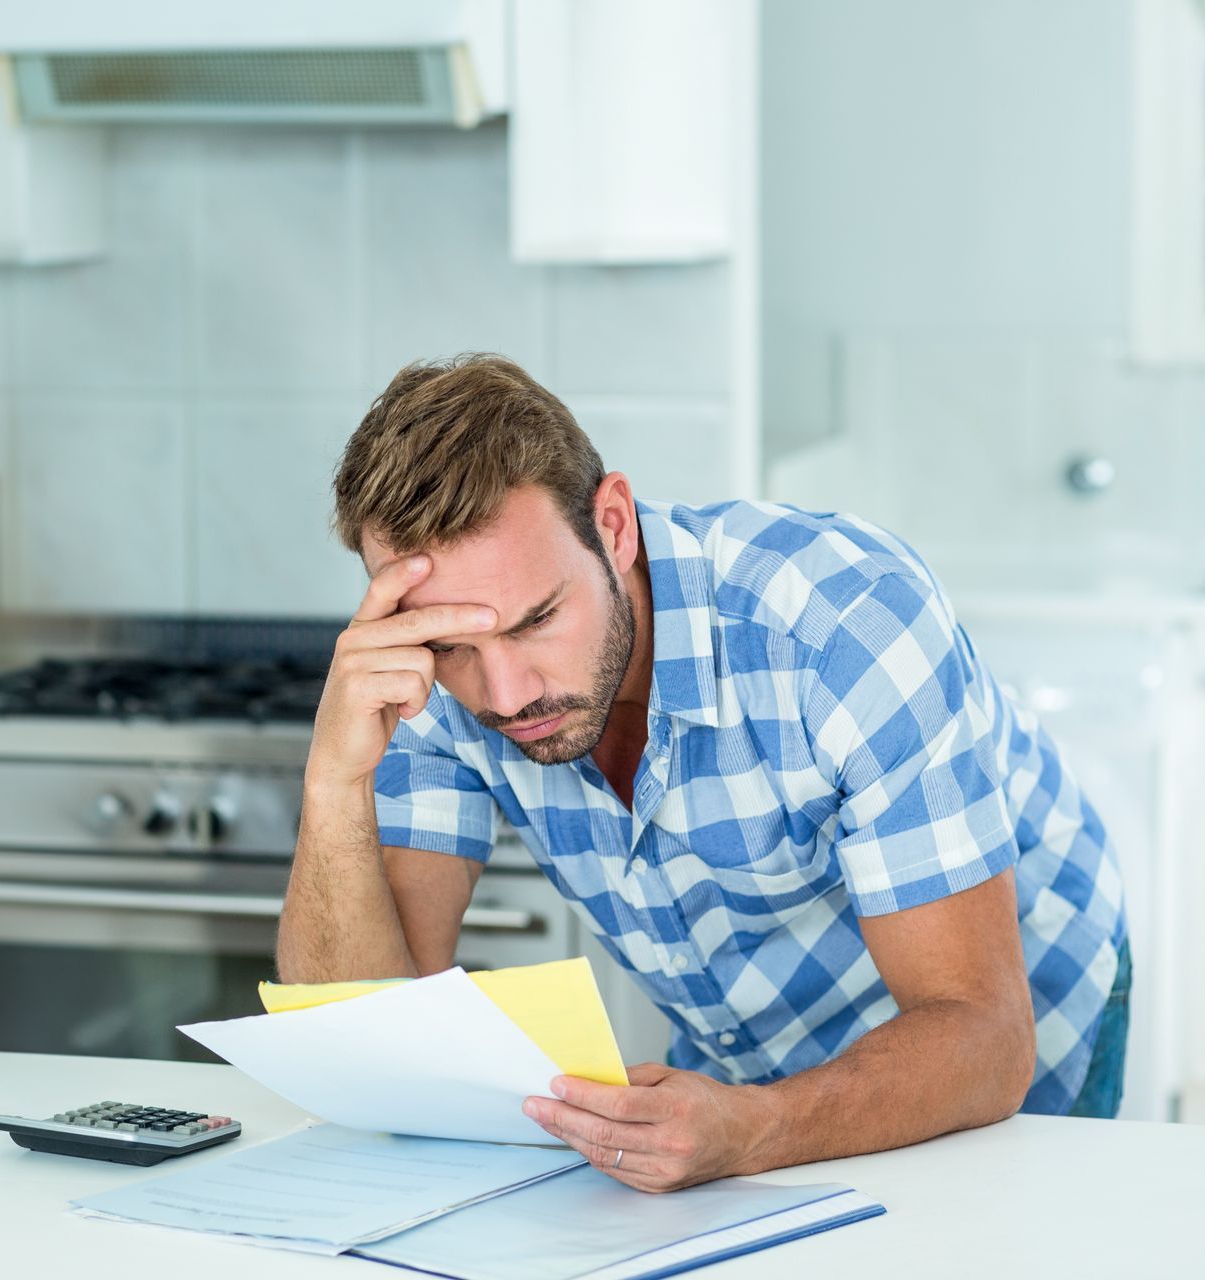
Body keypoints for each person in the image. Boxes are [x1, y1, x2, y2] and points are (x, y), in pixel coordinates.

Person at [278, 353, 1131, 1192]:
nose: (506, 696)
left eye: (537, 621)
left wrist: (757, 1127)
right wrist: (333, 783)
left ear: (613, 526)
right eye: (452, 645)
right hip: (745, 1065)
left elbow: (984, 1037)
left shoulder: (843, 623)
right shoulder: (423, 681)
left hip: (1002, 1021)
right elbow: (370, 1034)